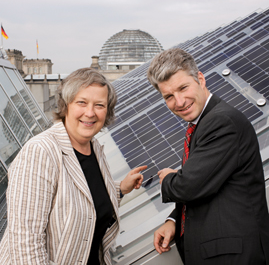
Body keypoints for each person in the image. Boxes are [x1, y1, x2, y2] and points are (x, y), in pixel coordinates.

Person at [0, 68, 147, 265]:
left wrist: (119, 188)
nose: (90, 112)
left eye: (100, 105)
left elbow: (82, 199)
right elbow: (26, 245)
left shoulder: (93, 148)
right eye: (82, 102)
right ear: (65, 105)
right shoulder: (41, 152)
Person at [147, 48, 269, 264]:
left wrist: (168, 178)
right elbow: (208, 184)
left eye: (183, 88)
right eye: (169, 96)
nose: (179, 101)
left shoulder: (220, 122)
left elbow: (189, 186)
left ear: (200, 79)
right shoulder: (203, 124)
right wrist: (173, 219)